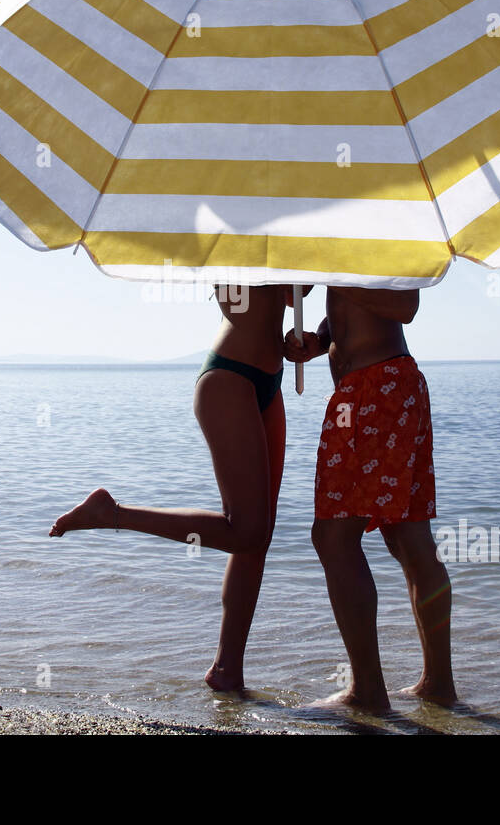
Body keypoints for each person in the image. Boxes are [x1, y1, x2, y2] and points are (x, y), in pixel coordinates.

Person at [50, 283, 296, 692]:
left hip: (270, 382)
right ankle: (111, 513)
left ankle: (227, 670)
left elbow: (292, 296)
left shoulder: (282, 229)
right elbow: (236, 299)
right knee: (246, 530)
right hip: (230, 378)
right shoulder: (235, 230)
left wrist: (307, 334)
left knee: (258, 539)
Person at [284, 286, 457, 711]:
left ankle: (366, 692)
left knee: (334, 538)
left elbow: (406, 306)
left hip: (376, 389)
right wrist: (322, 340)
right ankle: (437, 685)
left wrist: (337, 274)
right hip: (381, 387)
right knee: (406, 537)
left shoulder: (385, 224)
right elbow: (352, 310)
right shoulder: (352, 231)